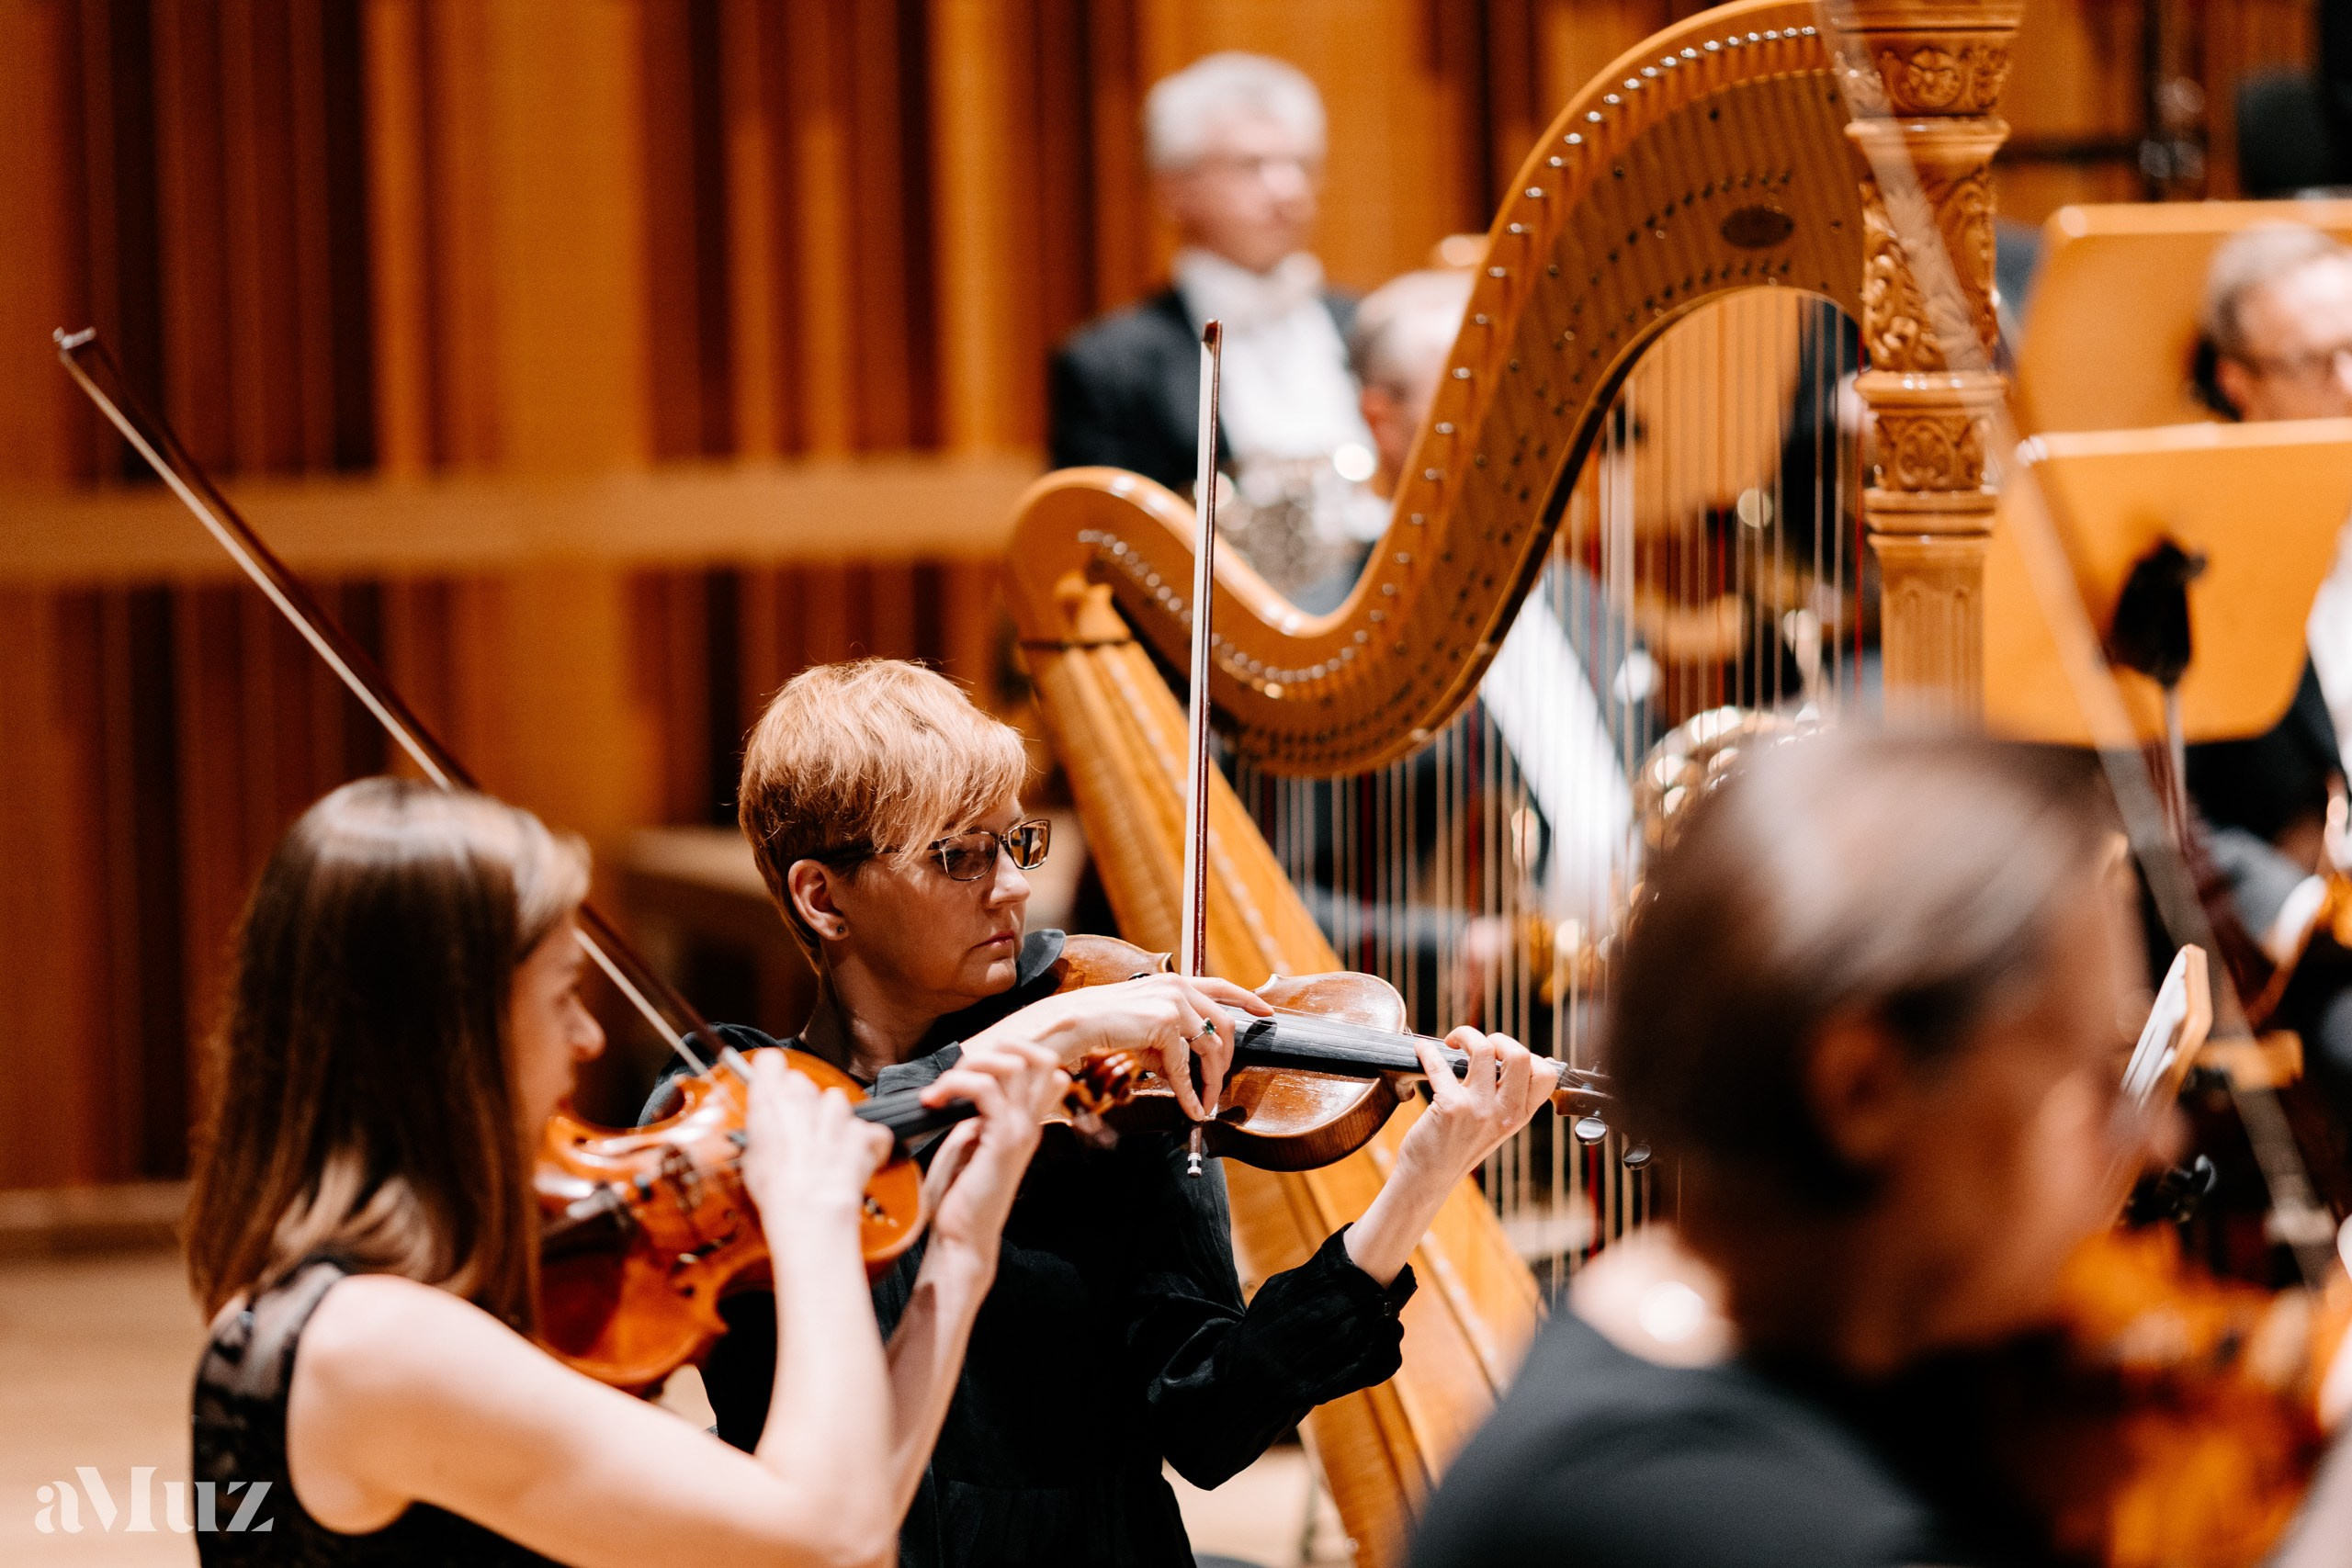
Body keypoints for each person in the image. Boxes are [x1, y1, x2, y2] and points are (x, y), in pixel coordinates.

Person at [672, 659, 1555, 1568]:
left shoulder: (1109, 1092)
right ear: (823, 897)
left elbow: (1210, 1427)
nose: (1012, 889)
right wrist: (1051, 1031)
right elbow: (830, 1140)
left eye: (1017, 844)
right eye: (959, 857)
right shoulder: (732, 1096)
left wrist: (1417, 1185)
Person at [1408, 730, 2352, 1568]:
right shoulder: (1674, 1517)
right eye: (2083, 1075)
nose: (2153, 1136)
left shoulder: (1806, 1330)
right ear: (1862, 1090)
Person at [185, 777, 1061, 1566]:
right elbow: (829, 1542)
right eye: (563, 993)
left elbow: (844, 1525)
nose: (588, 1038)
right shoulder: (373, 1345)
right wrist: (811, 1220)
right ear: (448, 1040)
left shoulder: (401, 1302)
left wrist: (957, 1252)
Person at [1049, 51, 1383, 612]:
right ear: (1174, 190)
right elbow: (1103, 563)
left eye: (1301, 163)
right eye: (1251, 166)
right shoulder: (1110, 365)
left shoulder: (1369, 324)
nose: (1287, 188)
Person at [2186, 222, 2352, 1111]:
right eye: (2317, 363)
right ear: (2237, 381)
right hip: (2312, 956)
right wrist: (2304, 915)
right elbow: (2153, 803)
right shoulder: (2187, 555)